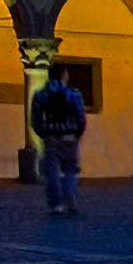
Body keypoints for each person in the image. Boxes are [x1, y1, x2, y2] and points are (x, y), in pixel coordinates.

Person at [30, 64, 88, 216]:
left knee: (52, 172)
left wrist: (43, 132)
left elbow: (35, 119)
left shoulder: (41, 94)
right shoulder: (73, 94)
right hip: (69, 137)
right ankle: (70, 194)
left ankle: (56, 204)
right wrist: (77, 133)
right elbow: (81, 116)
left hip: (51, 138)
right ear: (64, 75)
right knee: (70, 169)